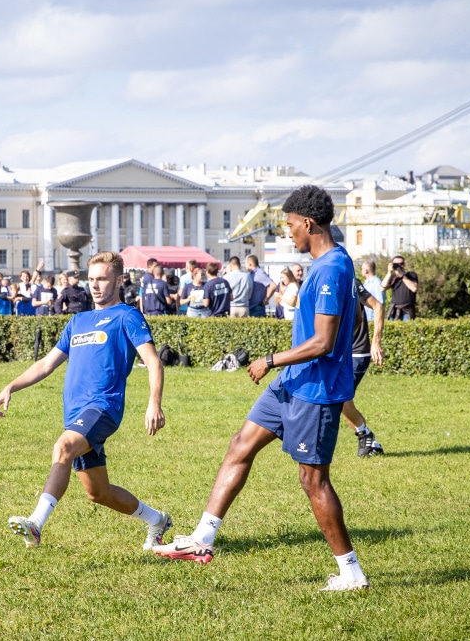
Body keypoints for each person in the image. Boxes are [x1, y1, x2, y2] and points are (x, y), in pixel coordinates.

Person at [154, 185, 369, 592]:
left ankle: (351, 572)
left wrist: (270, 359)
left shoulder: (334, 268)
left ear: (307, 223)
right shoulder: (323, 264)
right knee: (240, 445)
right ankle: (202, 539)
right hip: (289, 385)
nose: (288, 232)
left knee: (313, 481)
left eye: (290, 225)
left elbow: (323, 342)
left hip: (315, 392)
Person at [0, 251, 172, 551]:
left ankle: (36, 524)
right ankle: (158, 520)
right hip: (75, 413)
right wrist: (11, 386)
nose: (95, 285)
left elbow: (154, 362)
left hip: (103, 408)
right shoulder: (78, 321)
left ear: (118, 280)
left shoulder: (128, 316)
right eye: (91, 279)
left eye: (102, 278)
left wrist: (154, 402)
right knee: (98, 493)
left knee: (62, 447)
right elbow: (46, 364)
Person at [342, 280, 386, 457]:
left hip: (357, 353)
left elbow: (378, 306)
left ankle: (366, 435)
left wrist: (375, 342)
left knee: (340, 399)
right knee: (340, 402)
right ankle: (369, 441)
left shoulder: (351, 282)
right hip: (341, 353)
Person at [382, 255, 418, 320]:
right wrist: (389, 273)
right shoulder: (393, 277)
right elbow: (382, 288)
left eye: (401, 264)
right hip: (394, 310)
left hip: (407, 310)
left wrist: (402, 276)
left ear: (404, 264)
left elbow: (414, 288)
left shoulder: (411, 275)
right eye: (396, 264)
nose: (399, 266)